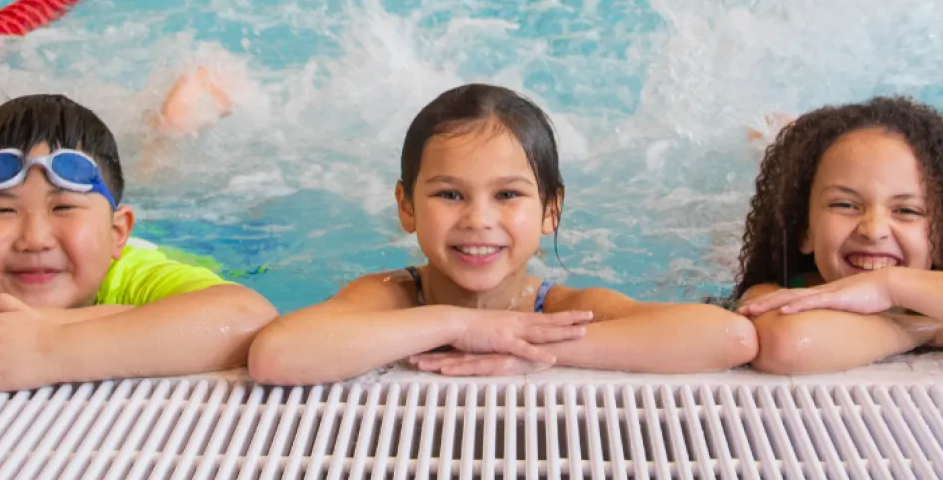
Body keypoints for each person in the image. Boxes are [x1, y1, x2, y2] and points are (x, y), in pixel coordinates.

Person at [248, 83, 757, 385]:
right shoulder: (391, 298)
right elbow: (276, 355)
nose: (478, 219)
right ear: (406, 206)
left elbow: (729, 336)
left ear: (550, 210)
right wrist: (454, 327)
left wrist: (522, 346)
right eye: (450, 194)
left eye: (508, 195)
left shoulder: (559, 312)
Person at [0, 93, 275, 392]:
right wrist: (127, 320)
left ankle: (170, 130)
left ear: (117, 234)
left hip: (192, 245)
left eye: (63, 208)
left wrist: (49, 347)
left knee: (167, 189)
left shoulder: (136, 276)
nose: (34, 239)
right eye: (4, 210)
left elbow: (248, 318)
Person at [738, 96, 943, 373]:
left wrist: (890, 284)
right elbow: (789, 344)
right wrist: (926, 328)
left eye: (907, 210)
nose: (873, 231)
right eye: (844, 205)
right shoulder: (784, 293)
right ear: (804, 231)